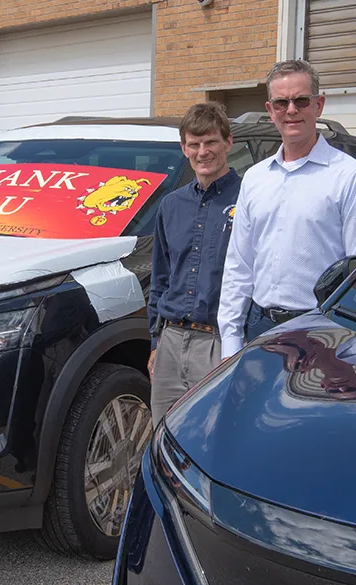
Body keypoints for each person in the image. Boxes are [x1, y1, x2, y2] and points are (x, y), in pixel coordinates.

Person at [217, 59, 356, 358]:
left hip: (321, 331)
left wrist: (354, 352)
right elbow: (239, 266)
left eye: (301, 101)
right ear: (270, 110)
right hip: (260, 328)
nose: (291, 110)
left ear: (318, 105)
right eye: (281, 103)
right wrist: (230, 342)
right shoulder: (255, 178)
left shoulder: (349, 176)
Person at [147, 102, 240, 422]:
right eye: (194, 144)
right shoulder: (171, 205)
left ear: (228, 142)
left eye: (211, 142)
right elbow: (160, 279)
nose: (203, 152)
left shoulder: (249, 200)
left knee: (211, 435)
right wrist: (155, 341)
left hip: (219, 343)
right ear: (184, 148)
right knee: (163, 433)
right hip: (170, 341)